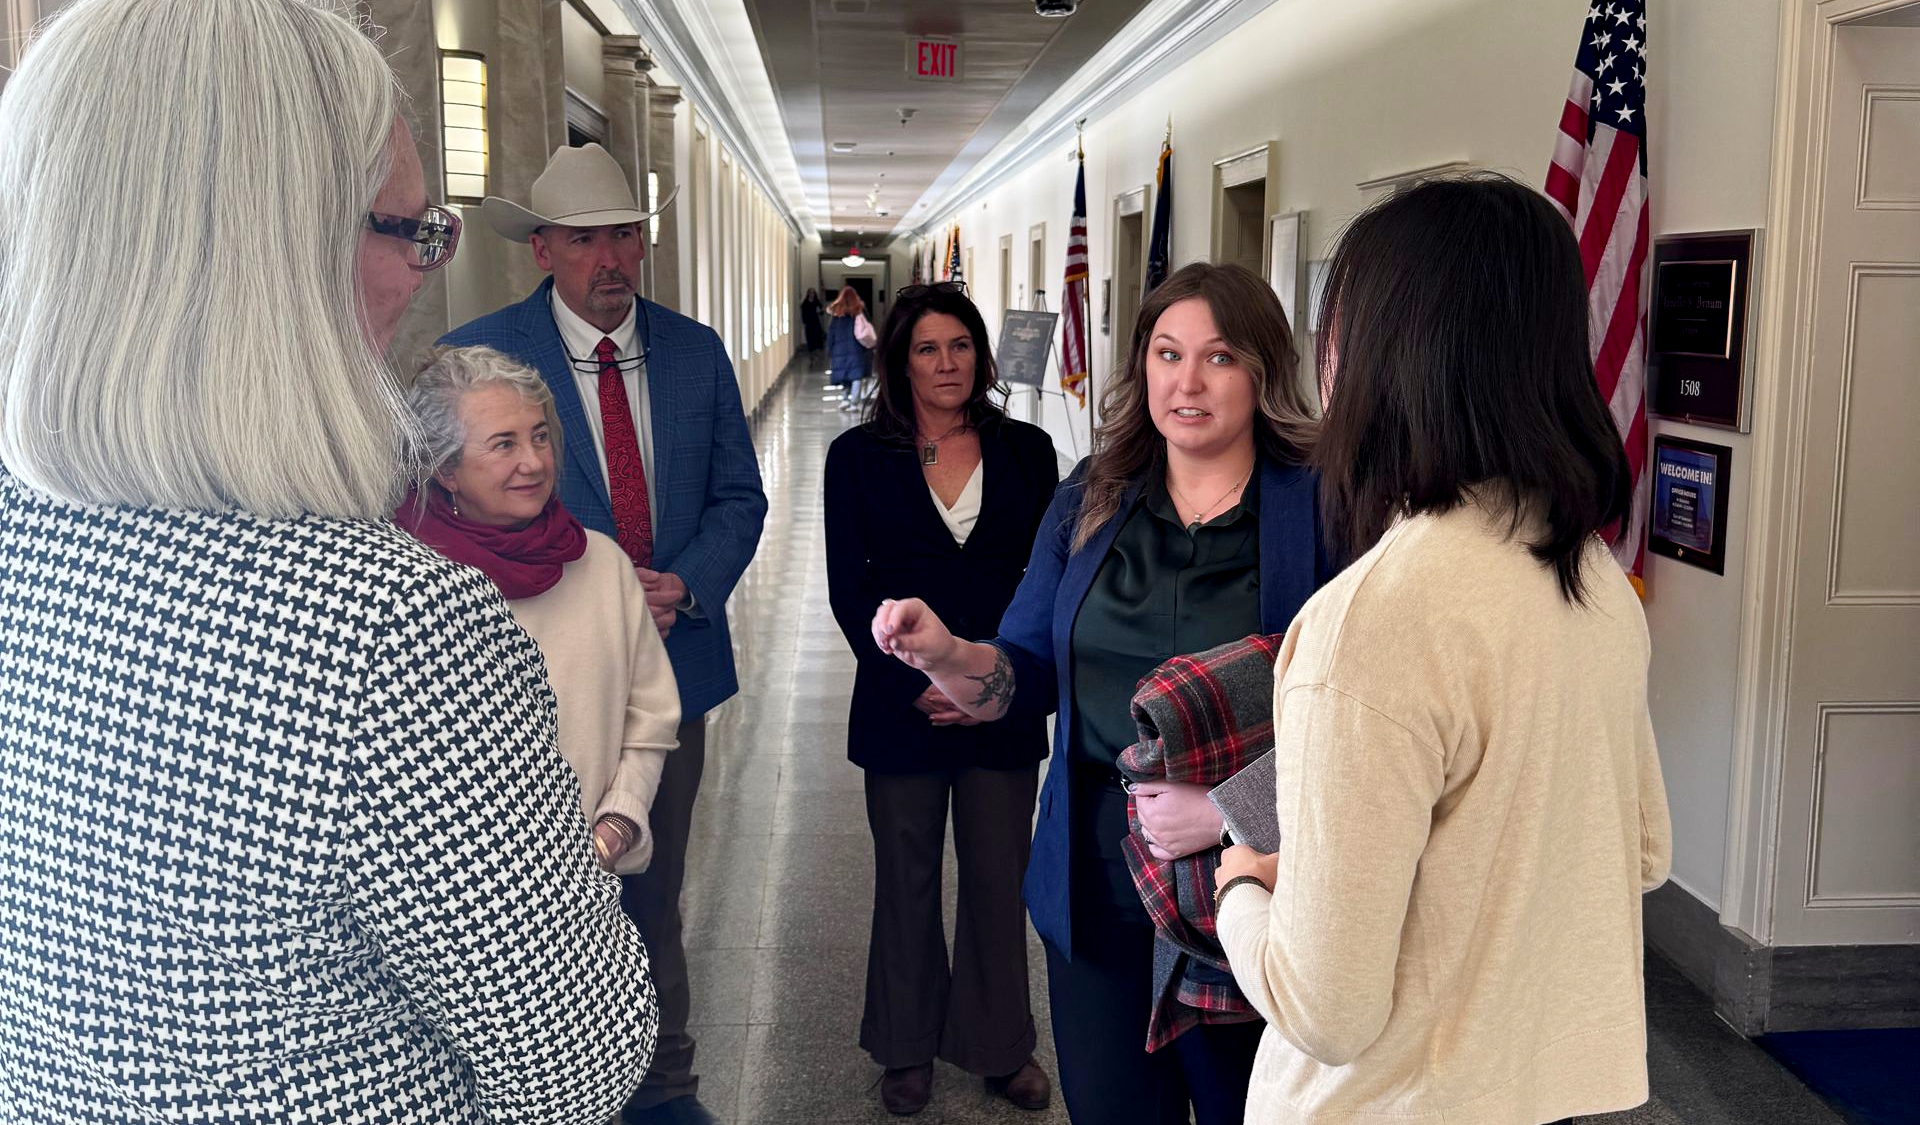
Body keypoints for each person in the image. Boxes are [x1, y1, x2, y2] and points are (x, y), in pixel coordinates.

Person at [0, 0, 656, 1120]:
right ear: (274, 250)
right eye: (411, 230)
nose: (416, 281)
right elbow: (581, 1056)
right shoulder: (390, 628)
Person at [1211, 175, 1673, 1124]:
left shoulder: (1373, 623)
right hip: (1538, 1090)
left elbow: (1327, 1011)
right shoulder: (1593, 584)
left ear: (1384, 355)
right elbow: (1642, 852)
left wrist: (1240, 892)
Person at [869, 263, 1336, 1125]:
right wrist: (945, 654)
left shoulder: (1324, 514)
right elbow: (1018, 673)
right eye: (1166, 354)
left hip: (1253, 898)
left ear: (1264, 370)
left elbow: (1362, 727)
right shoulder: (1092, 496)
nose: (1186, 382)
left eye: (1219, 357)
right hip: (1094, 899)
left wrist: (1232, 810)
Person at [441, 141, 766, 1125]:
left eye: (625, 233)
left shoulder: (697, 351)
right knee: (532, 901)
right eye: (586, 240)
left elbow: (739, 499)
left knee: (651, 890)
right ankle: (545, 1089)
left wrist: (685, 584)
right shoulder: (479, 360)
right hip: (526, 685)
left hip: (673, 670)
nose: (611, 257)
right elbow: (446, 510)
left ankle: (664, 1091)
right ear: (544, 249)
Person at [824, 282, 1059, 1117]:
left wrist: (990, 680)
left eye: (960, 345)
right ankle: (905, 1045)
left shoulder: (1029, 452)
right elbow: (848, 589)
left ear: (981, 355)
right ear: (899, 360)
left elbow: (1046, 582)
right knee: (907, 876)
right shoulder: (856, 458)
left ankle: (1001, 1048)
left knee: (1000, 877)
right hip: (901, 706)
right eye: (927, 348)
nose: (946, 362)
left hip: (1003, 698)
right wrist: (924, 678)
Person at [395, 345, 681, 875]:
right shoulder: (403, 582)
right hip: (447, 892)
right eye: (504, 444)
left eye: (540, 436)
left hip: (591, 875)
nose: (534, 462)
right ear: (445, 469)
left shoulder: (601, 565)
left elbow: (649, 716)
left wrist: (617, 826)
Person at [826, 285, 874, 409]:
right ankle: (854, 403)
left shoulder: (836, 313)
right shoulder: (859, 310)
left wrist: (830, 349)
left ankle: (845, 399)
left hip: (839, 349)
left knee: (844, 375)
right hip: (857, 348)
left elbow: (831, 333)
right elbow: (867, 327)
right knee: (856, 375)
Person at [802, 287, 827, 354]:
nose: (811, 294)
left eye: (813, 292)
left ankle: (818, 349)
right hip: (809, 321)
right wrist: (804, 321)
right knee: (809, 335)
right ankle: (811, 349)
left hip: (815, 320)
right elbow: (803, 313)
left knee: (817, 334)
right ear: (808, 294)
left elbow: (822, 311)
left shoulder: (816, 302)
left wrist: (820, 311)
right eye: (810, 292)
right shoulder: (805, 303)